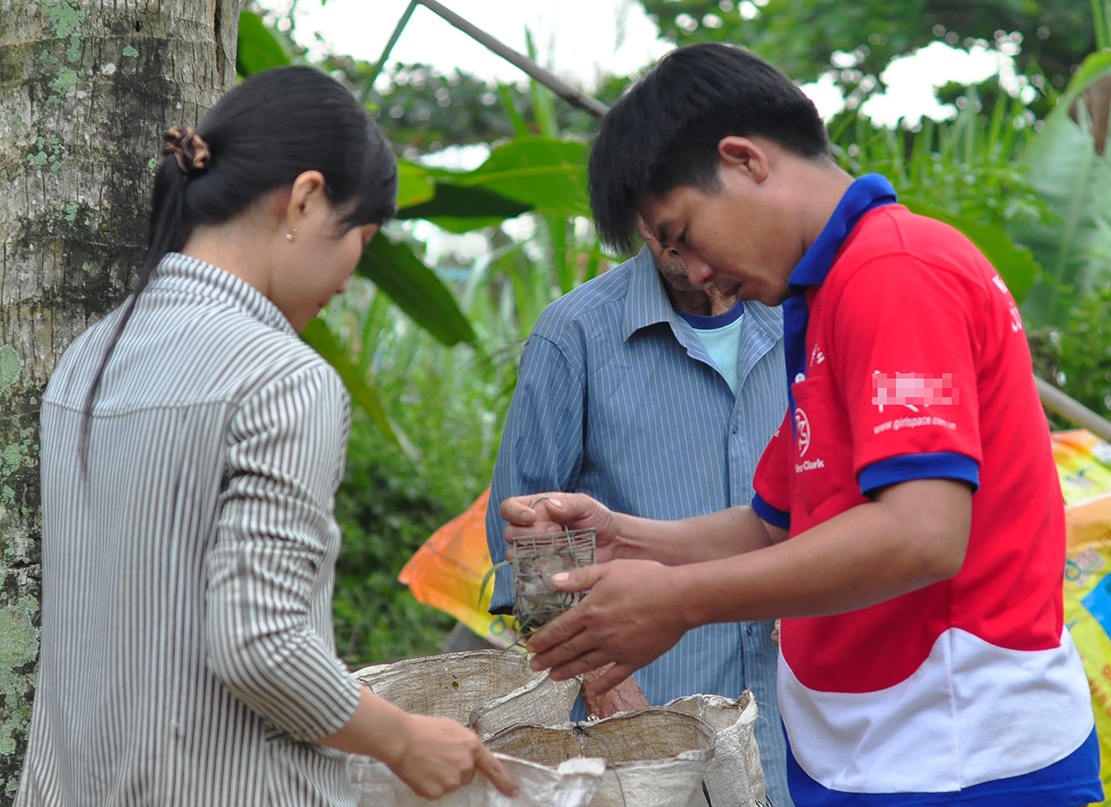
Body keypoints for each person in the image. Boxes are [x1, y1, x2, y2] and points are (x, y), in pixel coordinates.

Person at [498, 42, 1102, 806]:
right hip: (869, 752)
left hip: (957, 758)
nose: (695, 272)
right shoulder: (823, 298)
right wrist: (625, 536)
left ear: (744, 160)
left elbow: (922, 532)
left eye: (684, 234)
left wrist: (677, 601)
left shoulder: (894, 271)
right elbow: (775, 523)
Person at [17, 66, 517, 806]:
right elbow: (260, 643)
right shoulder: (284, 377)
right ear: (306, 198)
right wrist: (404, 738)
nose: (348, 278)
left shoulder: (87, 358)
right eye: (361, 236)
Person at [485, 234, 792, 802]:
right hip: (648, 726)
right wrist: (603, 683)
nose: (676, 237)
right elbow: (527, 536)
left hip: (801, 725)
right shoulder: (575, 333)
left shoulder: (798, 318)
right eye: (656, 216)